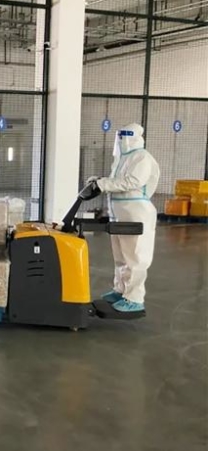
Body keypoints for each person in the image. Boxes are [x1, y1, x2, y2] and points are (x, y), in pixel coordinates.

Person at [88, 123, 160, 313]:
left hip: (136, 213)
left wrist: (104, 184)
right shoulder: (122, 158)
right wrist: (99, 181)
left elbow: (132, 181)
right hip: (119, 213)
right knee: (121, 256)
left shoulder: (142, 157)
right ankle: (120, 290)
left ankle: (134, 298)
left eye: (124, 136)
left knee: (135, 257)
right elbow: (117, 181)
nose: (120, 140)